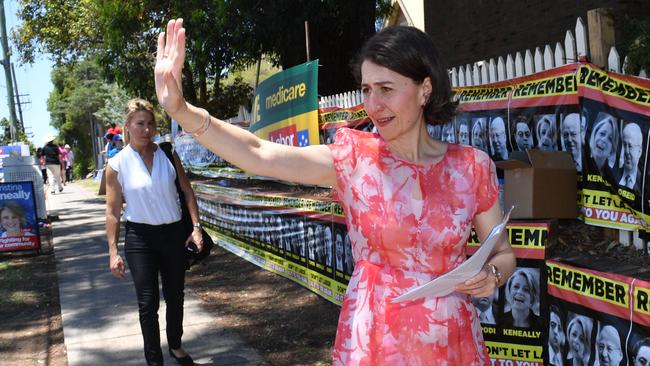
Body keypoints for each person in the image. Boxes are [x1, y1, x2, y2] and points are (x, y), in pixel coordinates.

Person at [155, 20, 516, 364]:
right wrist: (182, 111)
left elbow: (502, 253)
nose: (373, 105)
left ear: (425, 89)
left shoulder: (471, 167)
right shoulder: (355, 158)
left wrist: (493, 276)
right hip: (375, 342)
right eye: (366, 89)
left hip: (452, 344)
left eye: (386, 89)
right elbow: (258, 154)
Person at [105, 98, 203, 366]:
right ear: (127, 126)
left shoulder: (168, 154)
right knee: (147, 304)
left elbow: (187, 192)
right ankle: (154, 360)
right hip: (140, 239)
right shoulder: (116, 165)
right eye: (140, 124)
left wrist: (195, 228)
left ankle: (175, 344)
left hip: (173, 235)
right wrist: (113, 251)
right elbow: (113, 212)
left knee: (175, 295)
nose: (146, 129)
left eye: (150, 124)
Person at [618, 122, 643, 191]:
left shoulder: (644, 182)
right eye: (624, 145)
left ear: (639, 151)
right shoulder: (612, 174)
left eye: (630, 146)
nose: (626, 151)